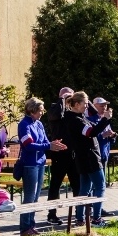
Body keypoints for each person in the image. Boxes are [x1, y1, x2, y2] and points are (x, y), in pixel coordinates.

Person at [18, 97, 67, 236]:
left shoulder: (38, 124)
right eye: (40, 110)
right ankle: (24, 228)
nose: (42, 112)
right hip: (30, 164)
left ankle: (31, 225)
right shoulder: (24, 124)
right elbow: (28, 145)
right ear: (32, 110)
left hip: (41, 163)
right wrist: (48, 146)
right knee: (29, 196)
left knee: (36, 197)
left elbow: (45, 141)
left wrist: (54, 144)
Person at [63, 91, 113, 226]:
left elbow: (93, 129)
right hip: (89, 158)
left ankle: (80, 219)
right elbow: (92, 133)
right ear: (77, 104)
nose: (87, 106)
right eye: (85, 103)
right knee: (100, 186)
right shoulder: (75, 120)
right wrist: (105, 119)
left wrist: (102, 118)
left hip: (84, 158)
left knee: (84, 189)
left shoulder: (79, 117)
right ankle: (96, 219)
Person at [46, 87, 80, 226]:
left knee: (77, 184)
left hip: (72, 153)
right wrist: (61, 100)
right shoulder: (55, 108)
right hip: (59, 153)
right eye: (67, 97)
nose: (69, 99)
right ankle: (51, 214)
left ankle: (79, 213)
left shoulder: (72, 111)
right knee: (55, 184)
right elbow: (56, 116)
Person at [88, 96, 117, 215]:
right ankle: (90, 209)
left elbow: (108, 137)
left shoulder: (106, 119)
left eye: (106, 105)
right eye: (102, 105)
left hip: (104, 154)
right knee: (93, 184)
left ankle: (98, 208)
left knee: (101, 183)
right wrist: (103, 135)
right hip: (95, 155)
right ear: (94, 106)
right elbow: (92, 136)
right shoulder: (90, 119)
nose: (104, 107)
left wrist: (112, 136)